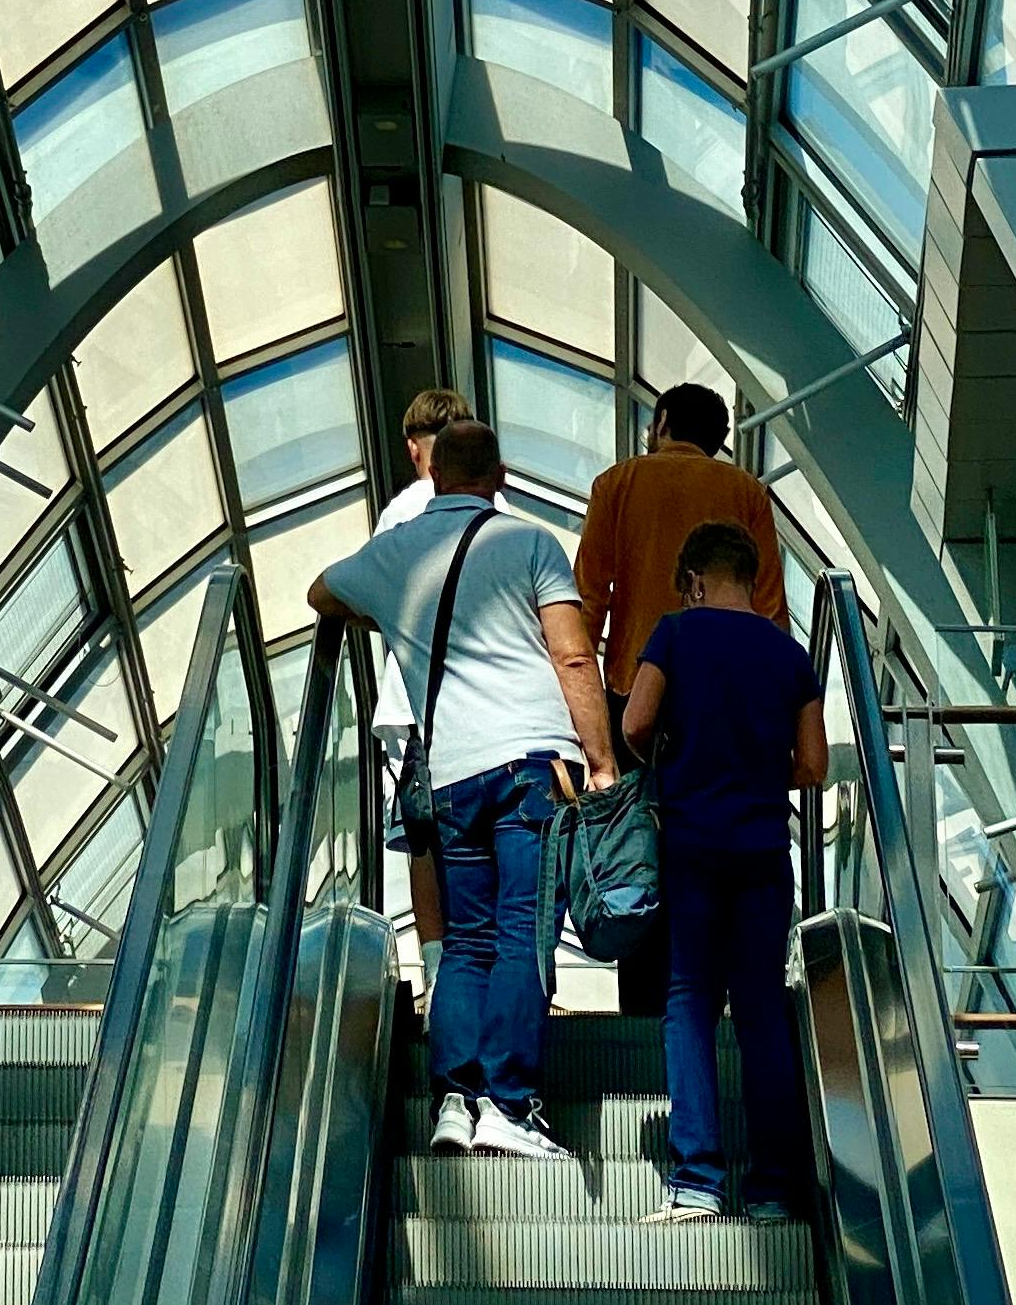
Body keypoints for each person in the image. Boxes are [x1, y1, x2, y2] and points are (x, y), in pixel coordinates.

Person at [312, 419, 613, 1159]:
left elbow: (321, 592)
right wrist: (602, 761)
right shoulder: (529, 542)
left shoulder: (393, 551)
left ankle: (455, 1100)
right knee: (522, 933)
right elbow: (572, 657)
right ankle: (510, 1107)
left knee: (467, 940)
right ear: (499, 475)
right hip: (533, 767)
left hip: (450, 773)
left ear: (434, 477)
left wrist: (381, 605)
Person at [620, 520, 826, 1224]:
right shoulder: (790, 655)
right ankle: (772, 1186)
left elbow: (636, 725)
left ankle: (697, 1180)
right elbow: (813, 766)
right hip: (764, 851)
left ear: (696, 579)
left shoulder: (674, 635)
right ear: (751, 579)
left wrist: (681, 754)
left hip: (690, 844)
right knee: (763, 1009)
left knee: (688, 1001)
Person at [576, 382, 786, 1010]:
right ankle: (712, 995)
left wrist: (582, 709)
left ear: (662, 421)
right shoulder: (746, 493)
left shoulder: (618, 485)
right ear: (719, 437)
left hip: (634, 696)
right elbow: (768, 609)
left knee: (638, 845)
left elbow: (591, 600)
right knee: (716, 840)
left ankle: (645, 1005)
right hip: (727, 699)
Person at [371, 386, 478, 986]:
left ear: (414, 447)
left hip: (416, 705)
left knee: (423, 840)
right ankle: (486, 966)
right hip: (486, 710)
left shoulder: (402, 511)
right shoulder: (499, 511)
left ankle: (439, 969)